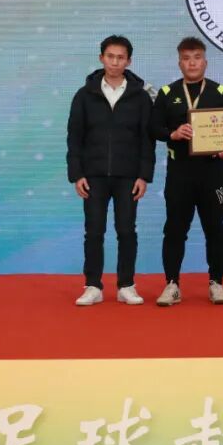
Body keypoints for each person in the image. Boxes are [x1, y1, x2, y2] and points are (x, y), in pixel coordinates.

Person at [66, 35, 155, 306]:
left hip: (128, 176)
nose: (115, 62)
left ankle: (126, 285)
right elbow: (74, 137)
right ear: (101, 58)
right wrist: (77, 174)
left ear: (129, 61)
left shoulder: (140, 97)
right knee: (94, 231)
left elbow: (147, 139)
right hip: (93, 176)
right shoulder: (84, 95)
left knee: (126, 231)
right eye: (110, 56)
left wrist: (144, 176)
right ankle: (92, 285)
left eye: (120, 57)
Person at [151, 37, 223, 306]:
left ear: (205, 62)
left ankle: (216, 282)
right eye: (186, 58)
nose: (192, 63)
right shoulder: (167, 93)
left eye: (197, 57)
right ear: (179, 63)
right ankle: (172, 284)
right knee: (175, 229)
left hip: (212, 173)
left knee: (216, 229)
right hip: (179, 173)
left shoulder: (220, 92)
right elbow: (153, 128)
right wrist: (172, 133)